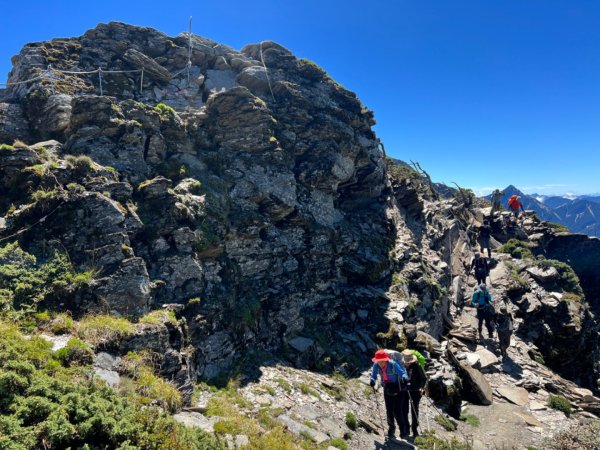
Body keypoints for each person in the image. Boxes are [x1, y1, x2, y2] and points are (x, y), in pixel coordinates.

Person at [370, 349, 409, 440]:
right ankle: (391, 429)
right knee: (389, 410)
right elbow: (374, 375)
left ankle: (403, 430)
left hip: (397, 389)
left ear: (385, 359)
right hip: (387, 389)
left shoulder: (392, 364)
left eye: (381, 361)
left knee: (397, 411)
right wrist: (372, 380)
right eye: (378, 361)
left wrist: (405, 378)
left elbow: (402, 373)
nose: (380, 363)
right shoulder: (376, 365)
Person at [401, 349, 427, 439]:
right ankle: (406, 428)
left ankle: (414, 429)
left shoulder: (417, 365)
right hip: (404, 390)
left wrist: (422, 388)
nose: (407, 363)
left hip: (416, 390)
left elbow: (424, 378)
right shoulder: (400, 366)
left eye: (409, 362)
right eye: (406, 362)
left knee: (414, 409)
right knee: (404, 409)